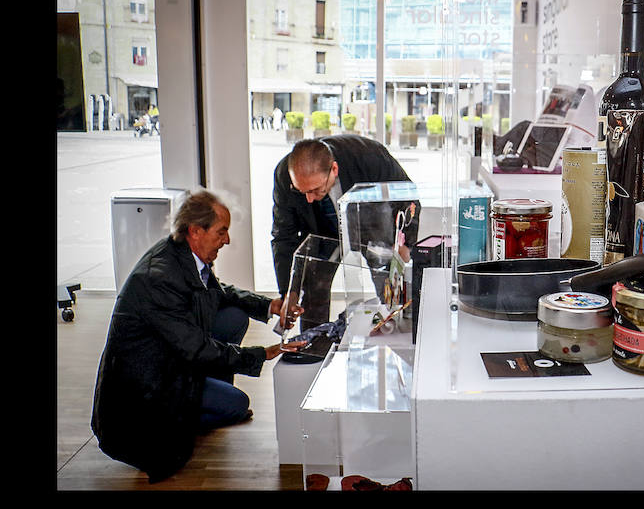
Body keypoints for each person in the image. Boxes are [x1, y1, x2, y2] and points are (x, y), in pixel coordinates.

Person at [91, 189, 304, 483]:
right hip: (145, 394)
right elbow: (196, 347)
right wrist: (262, 353)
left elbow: (221, 292)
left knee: (233, 314)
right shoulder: (158, 279)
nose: (227, 240)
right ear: (195, 231)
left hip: (170, 363)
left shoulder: (181, 253)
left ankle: (207, 394)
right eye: (221, 232)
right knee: (237, 405)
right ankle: (181, 419)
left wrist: (270, 305)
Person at [271, 136, 417, 328]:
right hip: (321, 231)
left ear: (334, 169)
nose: (308, 198)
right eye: (301, 191)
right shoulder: (285, 175)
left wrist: (405, 243)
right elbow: (283, 235)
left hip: (371, 225)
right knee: (313, 289)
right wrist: (288, 291)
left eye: (315, 190)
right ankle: (313, 347)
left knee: (390, 288)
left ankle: (398, 333)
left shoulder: (370, 156)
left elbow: (409, 195)